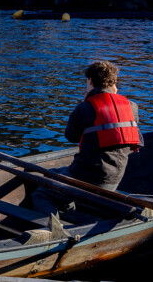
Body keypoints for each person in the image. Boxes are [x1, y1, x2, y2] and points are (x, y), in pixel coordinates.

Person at [31, 61, 142, 215]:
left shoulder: (86, 107)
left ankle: (56, 227)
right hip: (115, 178)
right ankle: (71, 211)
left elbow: (71, 136)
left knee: (41, 195)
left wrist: (86, 103)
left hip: (87, 176)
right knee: (51, 173)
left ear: (90, 81)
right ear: (114, 83)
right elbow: (131, 139)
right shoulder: (132, 106)